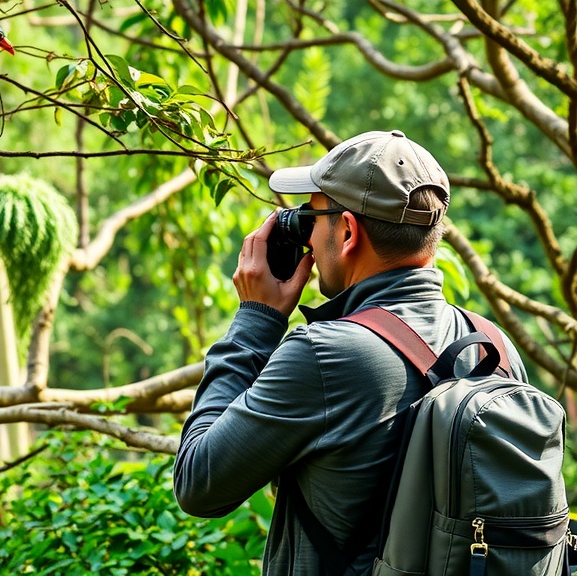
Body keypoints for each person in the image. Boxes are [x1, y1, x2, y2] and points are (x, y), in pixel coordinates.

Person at [172, 130, 528, 575]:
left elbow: (198, 484)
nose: (307, 233)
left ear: (346, 231)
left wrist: (255, 319)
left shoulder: (323, 356)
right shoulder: (495, 346)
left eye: (314, 217)